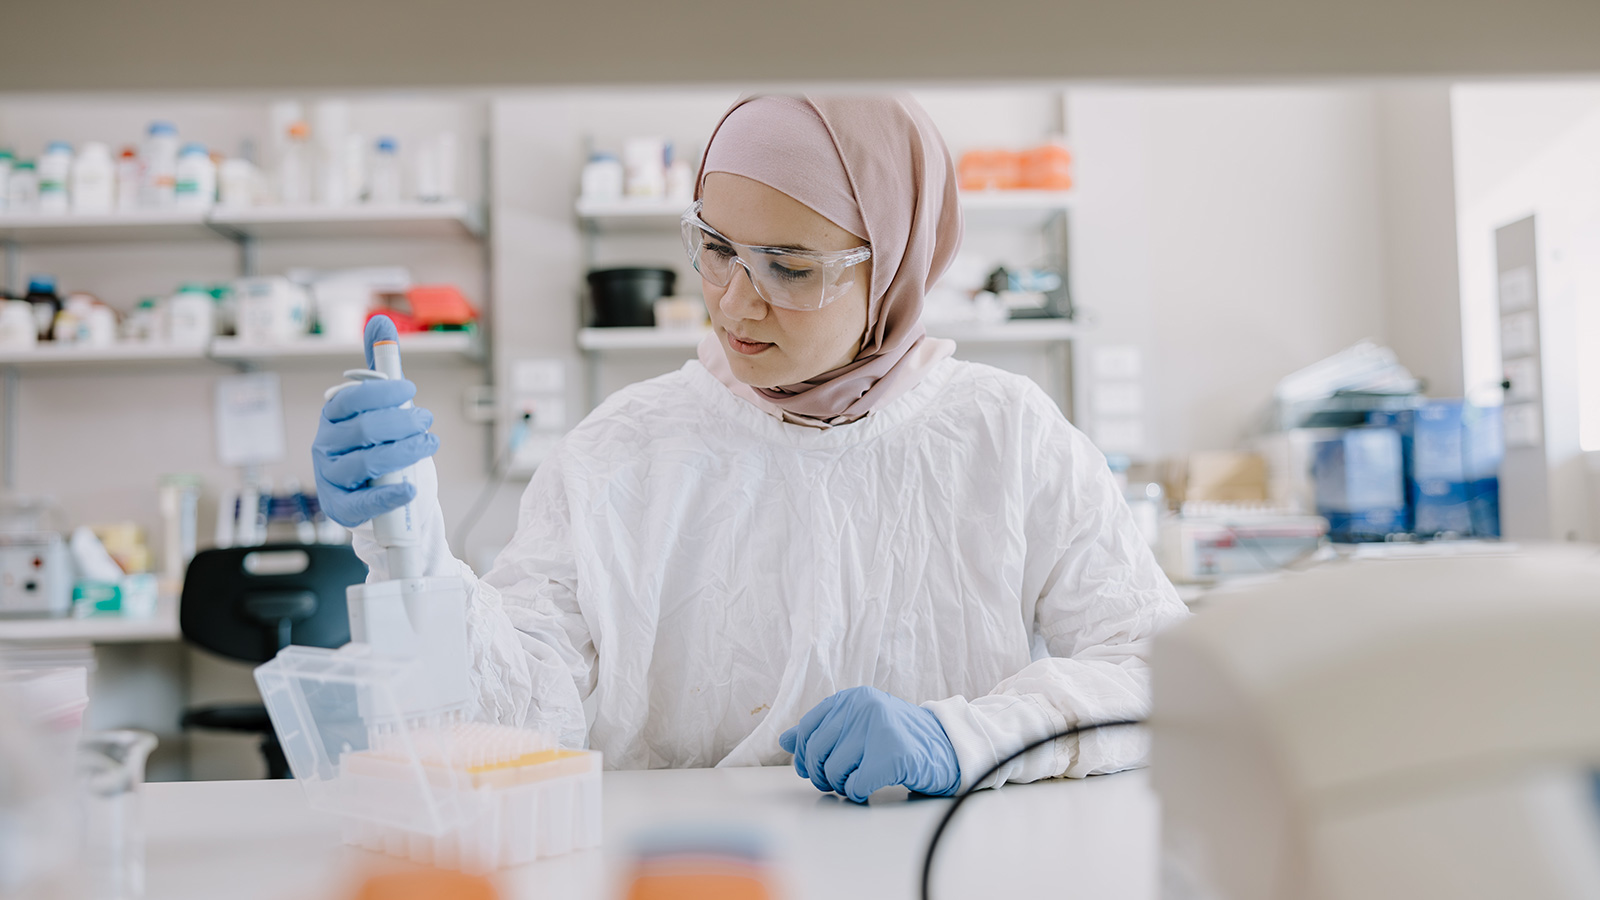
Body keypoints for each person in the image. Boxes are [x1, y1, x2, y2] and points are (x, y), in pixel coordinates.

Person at [312, 94, 1188, 804]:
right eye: (716, 249)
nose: (734, 303)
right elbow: (510, 722)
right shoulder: (622, 450)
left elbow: (1160, 676)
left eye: (790, 269)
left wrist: (964, 738)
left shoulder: (1006, 436)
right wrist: (409, 547)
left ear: (893, 266)